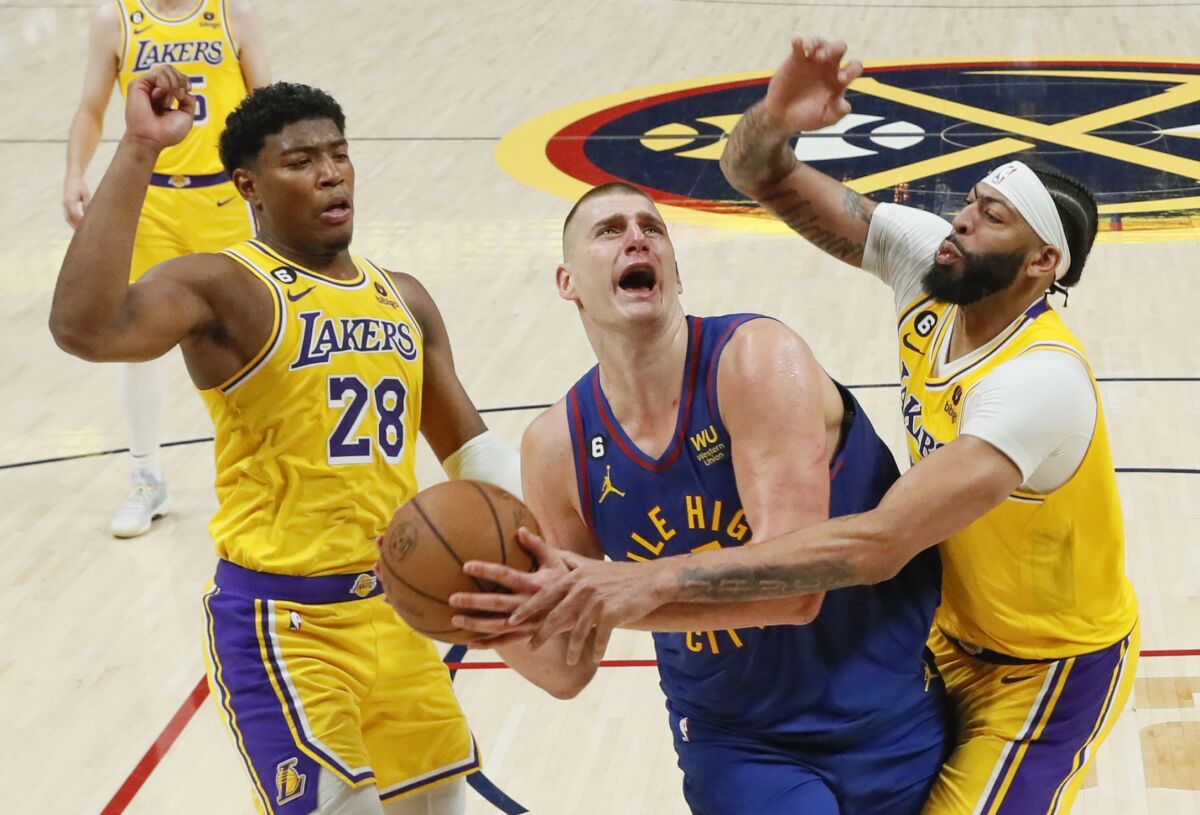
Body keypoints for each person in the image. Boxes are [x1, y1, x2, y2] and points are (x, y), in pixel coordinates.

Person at [495, 38, 1140, 815]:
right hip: (942, 636)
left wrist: (637, 582)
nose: (958, 220)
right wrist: (774, 116)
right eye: (969, 200)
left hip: (1050, 661)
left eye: (989, 217)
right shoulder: (925, 263)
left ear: (1040, 263)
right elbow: (754, 172)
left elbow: (873, 545)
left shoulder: (1039, 382)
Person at [49, 65, 575, 815]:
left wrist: (560, 555)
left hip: (397, 613)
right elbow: (84, 326)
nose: (330, 175)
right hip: (282, 626)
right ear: (248, 185)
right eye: (300, 162)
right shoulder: (224, 286)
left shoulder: (405, 296)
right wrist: (138, 146)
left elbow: (475, 456)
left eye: (339, 154)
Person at [450, 181, 950, 814]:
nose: (636, 237)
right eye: (608, 232)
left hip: (890, 708)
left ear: (675, 272)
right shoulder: (556, 446)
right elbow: (566, 665)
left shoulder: (757, 361)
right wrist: (482, 619)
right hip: (738, 743)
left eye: (652, 228)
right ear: (567, 281)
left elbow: (795, 590)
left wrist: (636, 586)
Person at [63, 0, 270, 538]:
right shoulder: (115, 19)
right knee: (135, 346)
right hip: (151, 203)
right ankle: (146, 476)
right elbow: (91, 107)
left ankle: (265, 473)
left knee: (249, 346)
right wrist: (74, 172)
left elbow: (265, 107)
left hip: (222, 201)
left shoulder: (234, 13)